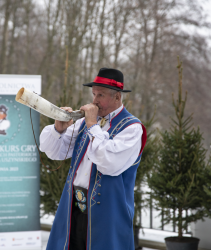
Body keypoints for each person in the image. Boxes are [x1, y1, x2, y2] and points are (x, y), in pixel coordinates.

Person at [40, 68, 147, 250]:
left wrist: (92, 125)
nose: (95, 101)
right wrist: (59, 128)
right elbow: (55, 151)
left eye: (101, 95)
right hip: (74, 207)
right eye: (94, 94)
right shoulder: (86, 123)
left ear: (117, 97)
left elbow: (107, 163)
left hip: (108, 212)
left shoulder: (132, 128)